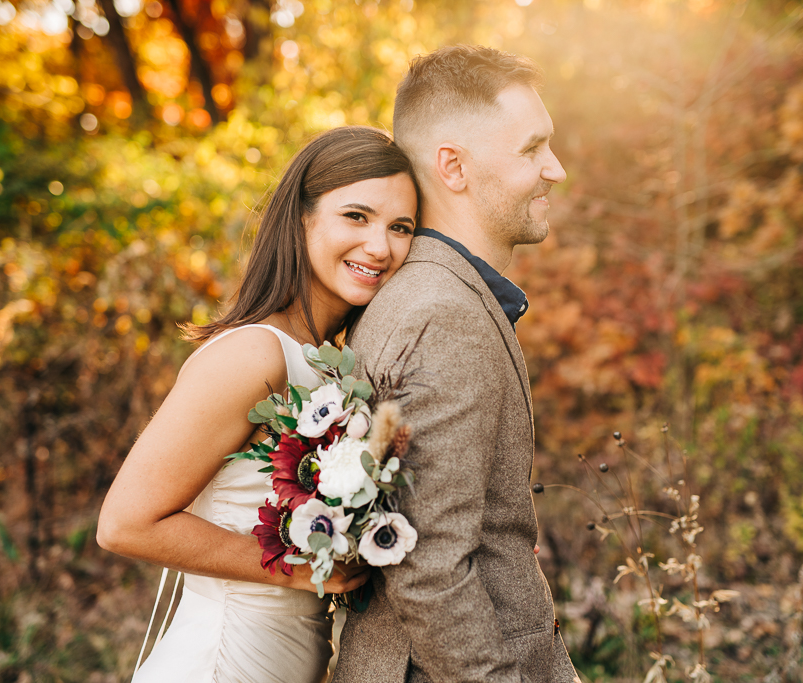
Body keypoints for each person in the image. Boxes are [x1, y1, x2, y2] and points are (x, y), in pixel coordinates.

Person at [96, 126, 419, 683]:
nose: (380, 247)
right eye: (357, 217)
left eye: (401, 227)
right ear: (301, 219)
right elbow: (126, 523)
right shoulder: (254, 353)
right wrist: (297, 570)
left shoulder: (324, 360)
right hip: (224, 662)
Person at [333, 46, 580, 682]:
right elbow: (430, 567)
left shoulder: (418, 292)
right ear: (454, 167)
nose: (555, 168)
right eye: (532, 148)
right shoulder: (443, 314)